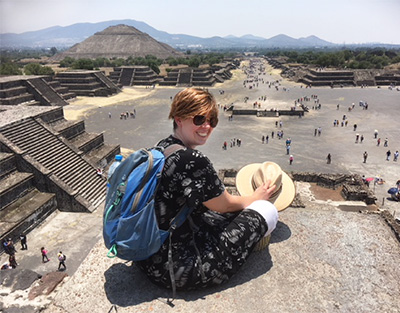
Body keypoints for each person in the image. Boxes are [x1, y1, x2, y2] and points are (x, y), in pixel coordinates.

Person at [137, 88, 284, 291]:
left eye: (212, 120)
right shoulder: (191, 160)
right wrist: (257, 197)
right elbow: (224, 205)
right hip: (178, 268)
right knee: (267, 212)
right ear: (179, 119)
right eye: (198, 119)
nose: (206, 126)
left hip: (148, 257)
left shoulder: (161, 147)